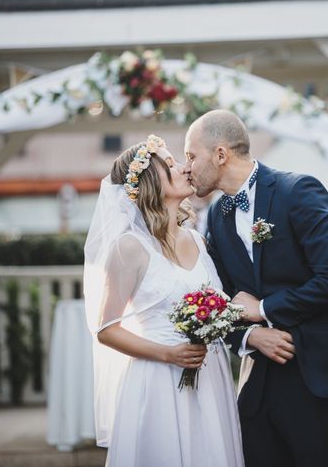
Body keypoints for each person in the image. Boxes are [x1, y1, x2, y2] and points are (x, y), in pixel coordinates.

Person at [184, 110, 328, 467]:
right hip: (258, 382)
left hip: (317, 372)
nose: (186, 167)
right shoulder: (216, 219)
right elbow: (221, 303)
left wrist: (264, 309)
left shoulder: (297, 190)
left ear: (221, 154)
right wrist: (249, 338)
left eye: (191, 155)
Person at [83, 135, 244, 466]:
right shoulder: (130, 247)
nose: (184, 167)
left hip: (210, 378)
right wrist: (169, 354)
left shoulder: (199, 241)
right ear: (149, 182)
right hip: (159, 381)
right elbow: (106, 328)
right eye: (170, 164)